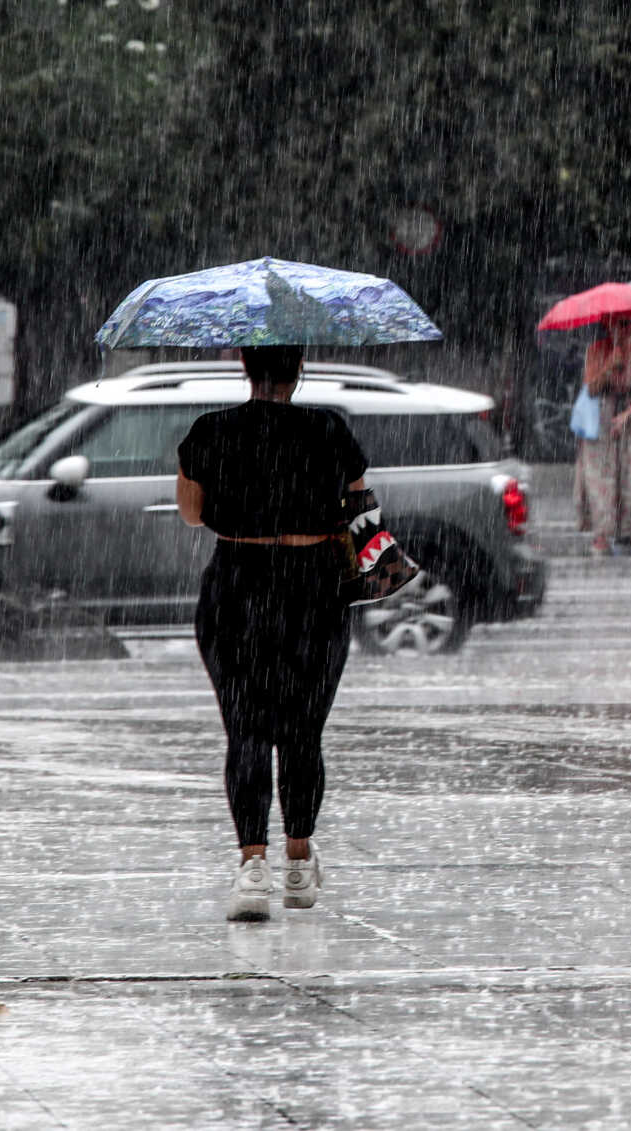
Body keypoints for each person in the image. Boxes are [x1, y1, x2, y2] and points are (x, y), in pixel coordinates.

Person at [176, 344, 413, 921]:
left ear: (244, 367)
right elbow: (360, 504)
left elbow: (191, 513)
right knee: (303, 731)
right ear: (299, 370)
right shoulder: (328, 428)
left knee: (247, 729)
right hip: (313, 589)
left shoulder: (209, 431)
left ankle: (252, 867)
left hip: (236, 583)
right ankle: (299, 862)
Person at [575, 318, 631, 556]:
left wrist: (628, 413)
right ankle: (601, 533)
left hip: (625, 418)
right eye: (620, 325)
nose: (626, 330)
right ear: (609, 326)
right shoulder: (595, 350)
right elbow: (590, 387)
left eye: (628, 326)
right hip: (600, 420)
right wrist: (610, 365)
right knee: (601, 479)